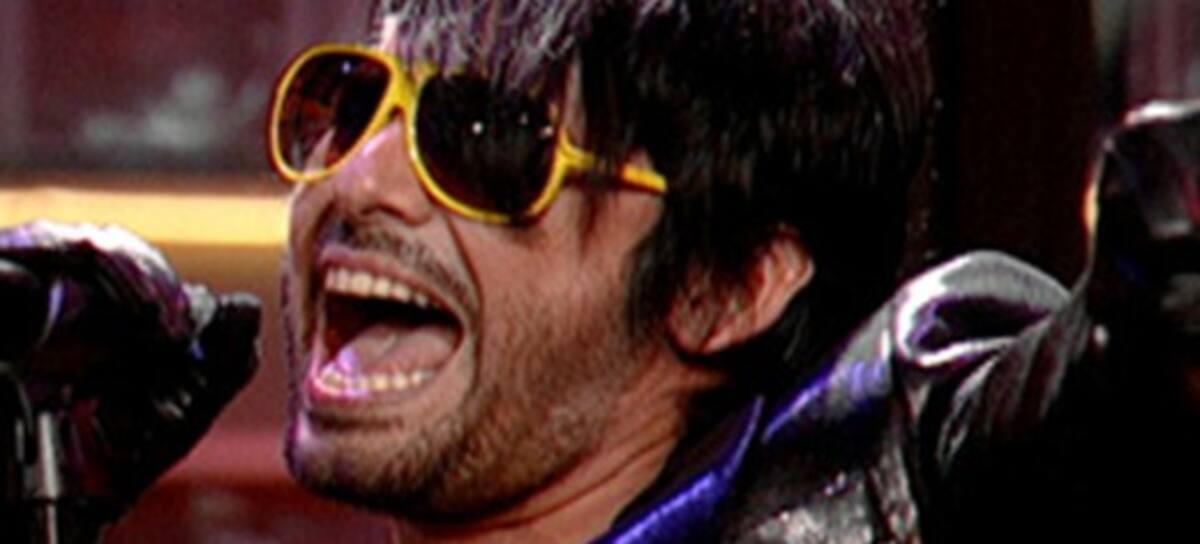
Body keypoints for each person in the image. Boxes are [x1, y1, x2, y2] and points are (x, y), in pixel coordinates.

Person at [1, 0, 1197, 542]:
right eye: (354, 103)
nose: (358, 182)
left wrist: (1146, 328)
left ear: (729, 283)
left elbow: (1059, 408)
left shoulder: (890, 472)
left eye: (486, 141)